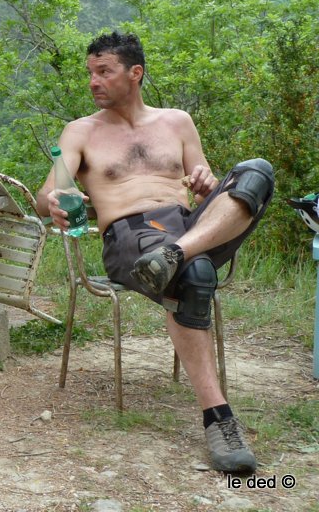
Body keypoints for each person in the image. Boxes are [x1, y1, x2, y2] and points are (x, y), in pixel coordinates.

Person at [36, 32, 274, 474]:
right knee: (198, 275)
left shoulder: (177, 122)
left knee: (257, 173)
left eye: (103, 71)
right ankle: (219, 419)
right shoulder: (80, 132)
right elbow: (48, 193)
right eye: (90, 72)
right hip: (130, 237)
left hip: (186, 229)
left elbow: (207, 180)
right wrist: (52, 200)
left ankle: (175, 256)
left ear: (135, 73)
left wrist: (205, 181)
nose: (93, 81)